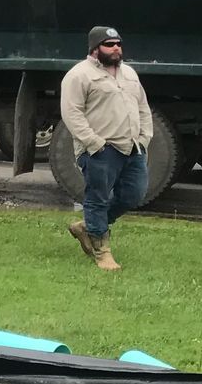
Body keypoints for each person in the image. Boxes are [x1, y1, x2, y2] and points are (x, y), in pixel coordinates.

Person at [60, 24, 150, 271]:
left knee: (135, 194)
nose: (116, 48)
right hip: (100, 149)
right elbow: (71, 112)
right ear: (95, 48)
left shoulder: (129, 73)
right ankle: (103, 253)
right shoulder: (79, 75)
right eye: (109, 44)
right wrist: (94, 143)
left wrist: (144, 137)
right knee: (97, 198)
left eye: (118, 43)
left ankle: (88, 227)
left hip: (132, 147)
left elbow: (142, 106)